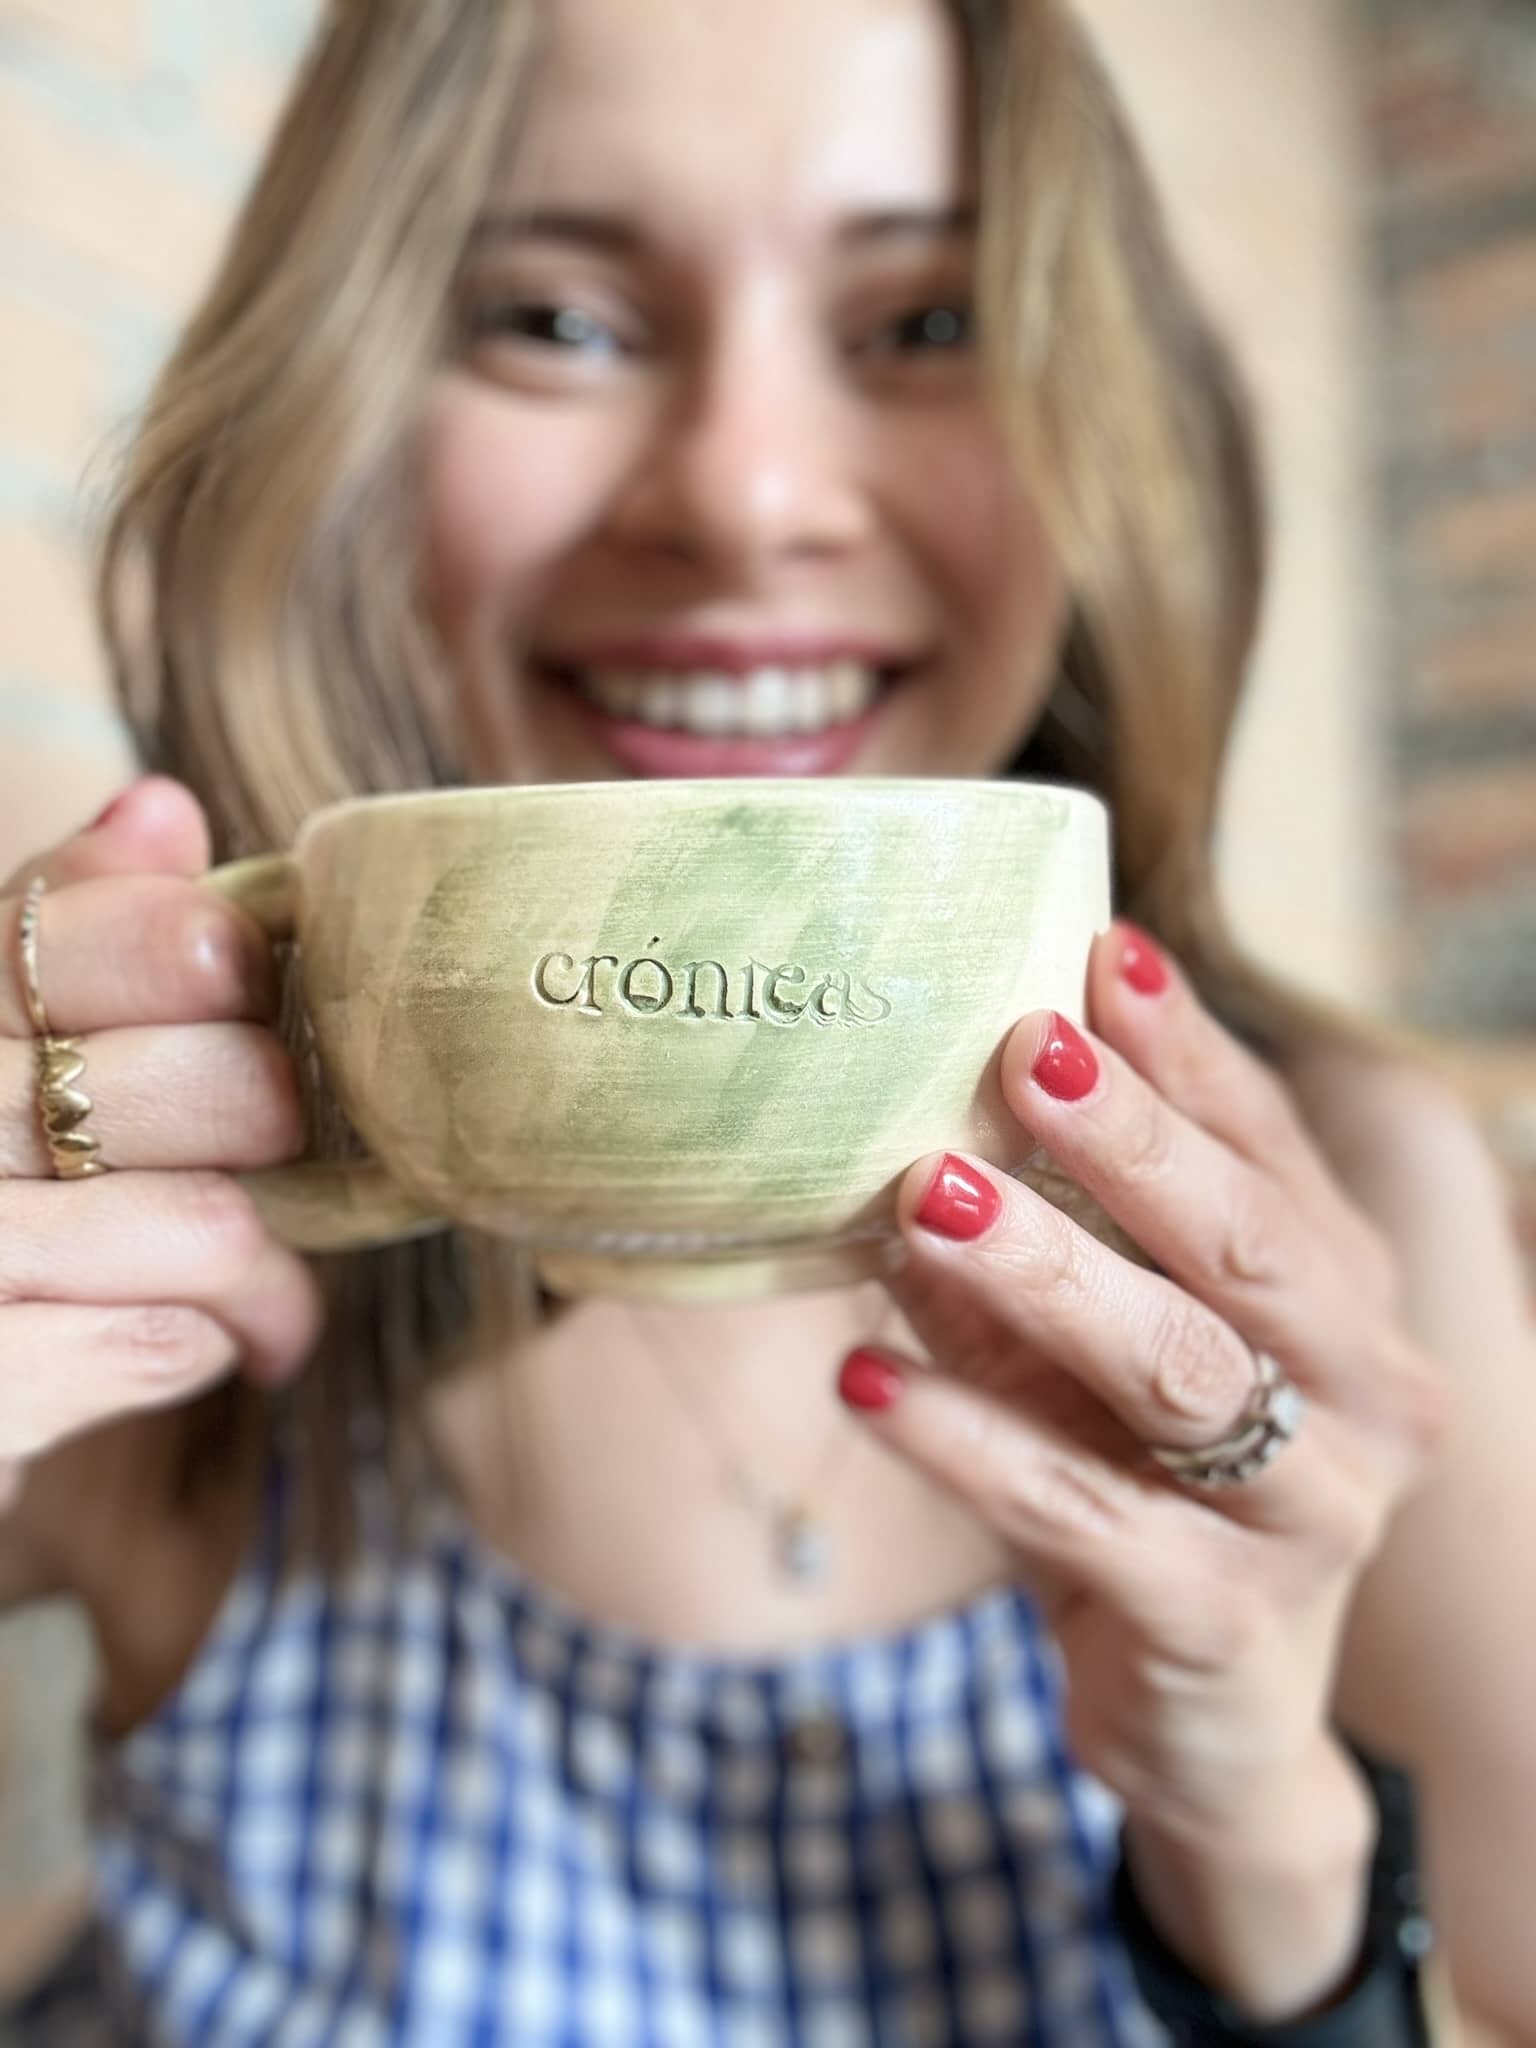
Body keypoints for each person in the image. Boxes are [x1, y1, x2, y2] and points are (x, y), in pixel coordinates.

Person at [1, 0, 1533, 2041]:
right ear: (345, 416)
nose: (744, 499)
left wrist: (1267, 1835)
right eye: (553, 318)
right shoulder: (173, 1252)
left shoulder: (1356, 1204)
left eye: (922, 324)